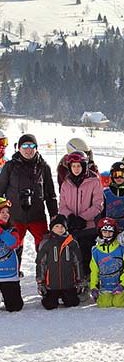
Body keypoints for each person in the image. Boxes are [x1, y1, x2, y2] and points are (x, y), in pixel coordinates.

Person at [0, 133, 59, 273]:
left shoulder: (43, 167)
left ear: (36, 148)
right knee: (14, 246)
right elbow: (0, 190)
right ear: (19, 148)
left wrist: (54, 215)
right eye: (25, 146)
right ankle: (12, 273)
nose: (28, 149)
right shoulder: (10, 166)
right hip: (15, 217)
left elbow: (50, 194)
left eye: (32, 146)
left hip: (37, 215)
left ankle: (45, 275)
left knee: (44, 246)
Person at [58, 150, 103, 274]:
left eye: (79, 166)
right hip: (71, 226)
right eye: (73, 166)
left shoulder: (94, 181)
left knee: (86, 255)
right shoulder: (66, 183)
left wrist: (83, 218)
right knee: (71, 256)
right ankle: (73, 278)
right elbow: (62, 205)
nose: (76, 169)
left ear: (84, 166)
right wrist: (70, 217)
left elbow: (98, 205)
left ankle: (87, 277)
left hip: (88, 227)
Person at [37, 215, 84, 309]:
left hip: (68, 283)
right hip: (51, 284)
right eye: (56, 226)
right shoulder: (46, 243)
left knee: (72, 303)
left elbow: (77, 262)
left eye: (62, 226)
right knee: (50, 305)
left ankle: (67, 295)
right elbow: (41, 263)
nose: (60, 229)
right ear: (51, 228)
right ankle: (49, 296)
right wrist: (40, 282)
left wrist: (80, 281)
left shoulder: (72, 243)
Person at [89, 217, 124, 308]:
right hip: (106, 285)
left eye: (110, 232)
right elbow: (94, 269)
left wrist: (123, 284)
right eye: (104, 232)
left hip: (121, 284)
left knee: (119, 303)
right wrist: (93, 286)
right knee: (104, 304)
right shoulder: (95, 250)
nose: (107, 234)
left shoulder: (123, 248)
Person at [0, 198, 22, 311]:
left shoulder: (12, 229)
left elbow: (13, 243)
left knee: (15, 306)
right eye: (2, 212)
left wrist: (1, 232)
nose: (6, 214)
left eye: (7, 212)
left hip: (9, 274)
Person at [102, 161, 124, 232]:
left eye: (122, 174)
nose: (118, 177)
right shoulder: (106, 193)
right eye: (115, 175)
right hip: (109, 229)